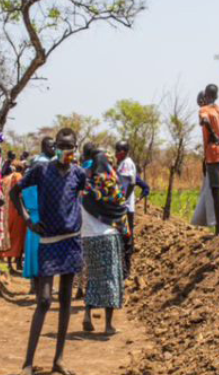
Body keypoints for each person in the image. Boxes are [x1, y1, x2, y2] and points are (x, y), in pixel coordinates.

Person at [10, 128, 87, 375]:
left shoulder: (78, 174)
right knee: (44, 300)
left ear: (75, 147)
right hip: (48, 241)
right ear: (56, 148)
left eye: (70, 147)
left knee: (65, 300)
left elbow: (81, 197)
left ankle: (59, 360)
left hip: (71, 241)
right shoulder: (42, 170)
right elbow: (15, 191)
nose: (66, 151)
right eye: (62, 147)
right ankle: (27, 363)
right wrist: (26, 218)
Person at [80, 145, 128, 337]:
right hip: (108, 235)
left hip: (87, 237)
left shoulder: (86, 185)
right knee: (110, 279)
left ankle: (87, 315)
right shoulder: (111, 186)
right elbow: (120, 208)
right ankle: (108, 325)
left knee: (93, 276)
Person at [200, 84, 219, 236]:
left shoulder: (204, 110)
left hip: (213, 153)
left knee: (216, 192)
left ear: (206, 95)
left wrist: (213, 134)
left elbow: (204, 121)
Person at [0, 158, 27, 275]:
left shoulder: (5, 179)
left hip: (6, 210)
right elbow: (21, 194)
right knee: (18, 236)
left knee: (7, 235)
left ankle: (9, 263)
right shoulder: (18, 177)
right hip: (16, 210)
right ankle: (16, 263)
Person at [114, 141, 138, 279]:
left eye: (117, 150)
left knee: (127, 237)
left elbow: (132, 182)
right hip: (124, 206)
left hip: (126, 207)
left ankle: (126, 270)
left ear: (123, 151)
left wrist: (123, 199)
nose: (116, 153)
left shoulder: (127, 163)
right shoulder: (123, 163)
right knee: (124, 237)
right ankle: (124, 269)